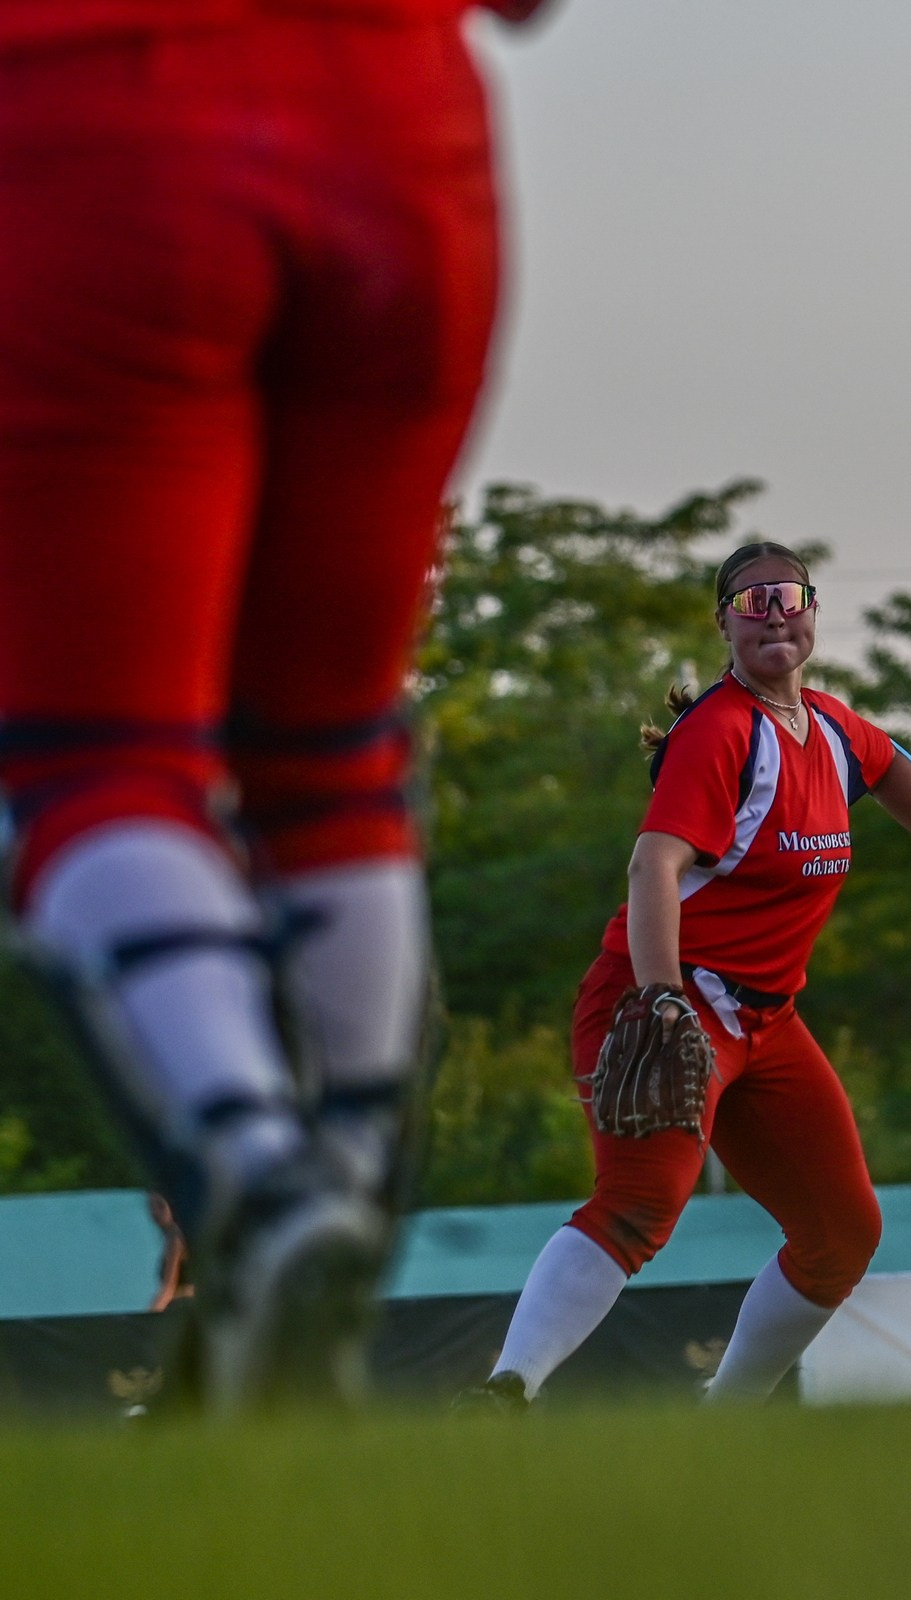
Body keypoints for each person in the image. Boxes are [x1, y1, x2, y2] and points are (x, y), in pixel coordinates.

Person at [0, 0, 545, 1407]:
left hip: (91, 121)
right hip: (401, 125)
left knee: (96, 759)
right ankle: (348, 1182)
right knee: (329, 747)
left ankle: (258, 1168)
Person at [462, 544, 911, 1409]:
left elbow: (894, 764)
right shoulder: (724, 731)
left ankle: (728, 1416)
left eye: (789, 596)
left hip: (766, 1020)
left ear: (812, 612)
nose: (773, 613)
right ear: (722, 620)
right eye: (751, 599)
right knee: (642, 1202)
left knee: (842, 1232)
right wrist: (659, 997)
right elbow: (653, 867)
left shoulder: (832, 728)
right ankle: (506, 1389)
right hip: (662, 997)